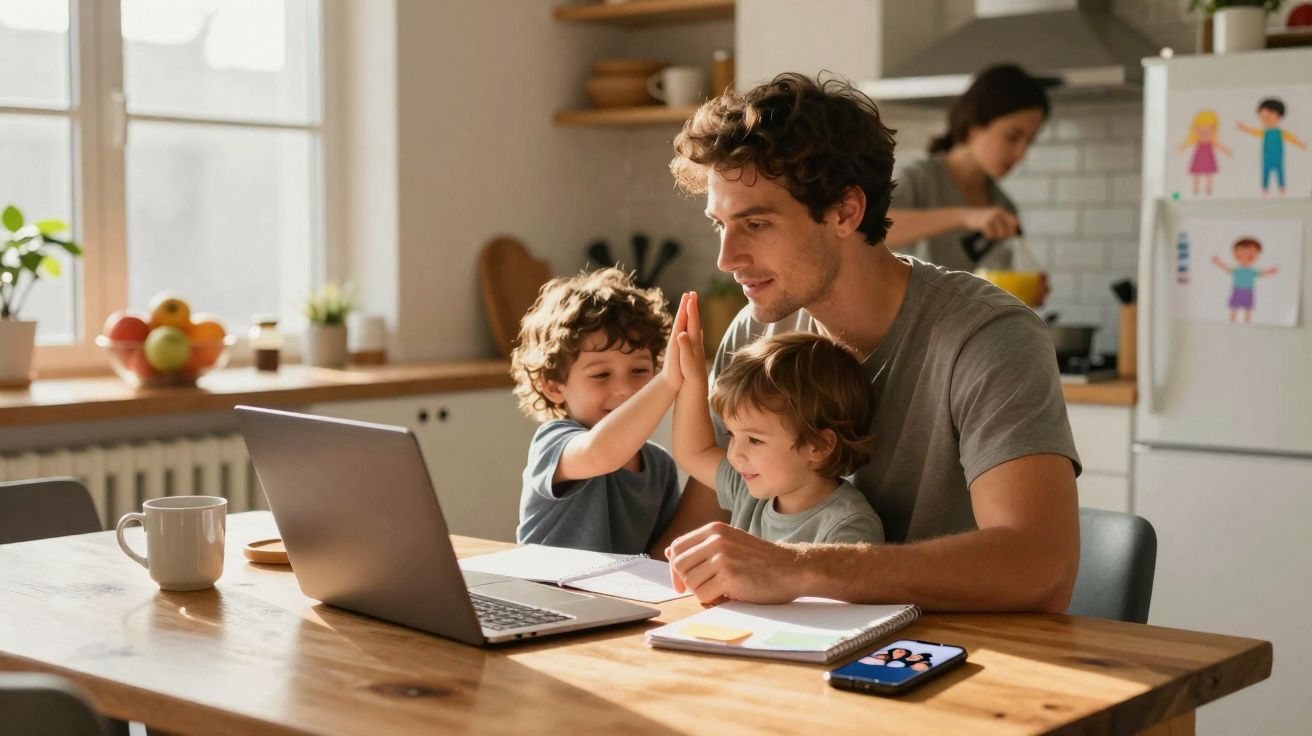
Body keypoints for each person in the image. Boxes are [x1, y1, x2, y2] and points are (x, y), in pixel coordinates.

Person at [652, 73, 1082, 613]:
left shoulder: (987, 337)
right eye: (721, 225)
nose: (726, 257)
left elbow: (1040, 568)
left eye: (755, 223)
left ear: (844, 212)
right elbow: (707, 523)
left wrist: (799, 568)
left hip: (958, 666)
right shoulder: (758, 332)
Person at [671, 299, 884, 544]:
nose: (735, 455)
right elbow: (692, 452)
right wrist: (695, 377)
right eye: (731, 435)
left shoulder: (849, 526)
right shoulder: (748, 489)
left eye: (754, 440)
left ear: (819, 445)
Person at [511, 268, 690, 554]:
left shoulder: (660, 466)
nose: (624, 389)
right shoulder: (553, 442)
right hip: (546, 595)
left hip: (614, 596)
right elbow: (602, 453)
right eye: (601, 375)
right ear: (554, 386)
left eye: (639, 370)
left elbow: (661, 553)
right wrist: (668, 383)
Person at [884, 64, 1049, 274]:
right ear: (974, 127)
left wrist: (1025, 288)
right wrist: (964, 216)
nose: (1021, 154)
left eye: (1029, 142)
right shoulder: (918, 178)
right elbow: (873, 228)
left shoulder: (1003, 207)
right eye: (1012, 137)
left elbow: (994, 282)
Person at [1236, 98, 1308, 196]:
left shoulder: (1281, 133)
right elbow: (1253, 131)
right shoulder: (1264, 132)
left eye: (1268, 117)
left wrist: (1301, 144)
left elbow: (1291, 138)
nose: (1265, 120)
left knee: (1280, 173)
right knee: (1265, 173)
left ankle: (1282, 190)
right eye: (1263, 118)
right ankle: (1265, 191)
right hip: (1266, 158)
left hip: (1278, 158)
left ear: (1279, 117)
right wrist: (1243, 128)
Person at [1211, 237, 1278, 323]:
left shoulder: (1251, 271)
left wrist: (1270, 271)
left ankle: (1247, 322)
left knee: (1247, 309)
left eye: (1250, 256)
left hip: (1248, 291)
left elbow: (1261, 273)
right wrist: (1218, 262)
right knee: (1234, 308)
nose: (1244, 258)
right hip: (1237, 291)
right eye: (1239, 256)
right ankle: (1232, 321)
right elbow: (1226, 268)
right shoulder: (1237, 270)